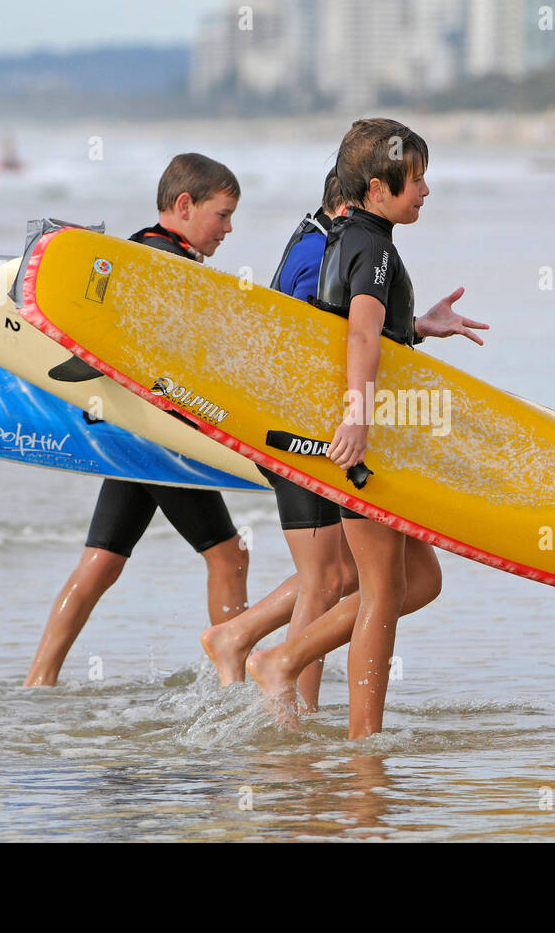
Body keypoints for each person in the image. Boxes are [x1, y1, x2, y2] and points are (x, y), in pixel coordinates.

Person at [247, 118, 488, 738]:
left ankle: (286, 660)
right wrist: (356, 415)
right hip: (365, 439)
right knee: (382, 591)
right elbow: (356, 334)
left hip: (367, 431)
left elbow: (353, 329)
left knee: (420, 580)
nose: (427, 191)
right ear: (378, 189)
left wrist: (418, 328)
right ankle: (363, 741)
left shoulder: (349, 237)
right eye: (417, 181)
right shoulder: (374, 246)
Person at [24, 153, 257, 686]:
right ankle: (232, 682)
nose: (228, 228)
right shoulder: (162, 263)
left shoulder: (140, 250)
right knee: (229, 556)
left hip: (127, 430)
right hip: (154, 435)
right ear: (184, 204)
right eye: (221, 214)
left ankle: (39, 682)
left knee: (103, 562)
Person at [201, 168, 357, 711]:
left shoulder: (315, 240)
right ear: (353, 203)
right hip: (296, 434)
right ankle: (293, 702)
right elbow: (312, 352)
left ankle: (237, 637)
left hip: (294, 427)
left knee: (346, 572)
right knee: (329, 576)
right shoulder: (320, 254)